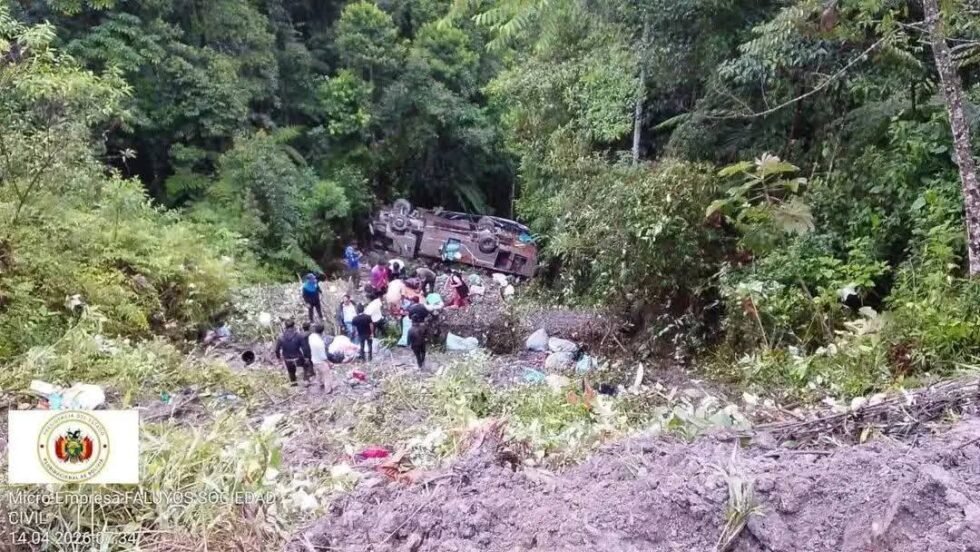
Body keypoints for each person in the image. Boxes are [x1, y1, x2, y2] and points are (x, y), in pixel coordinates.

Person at [274, 319, 307, 386]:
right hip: (298, 358)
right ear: (293, 326)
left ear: (285, 326)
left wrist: (278, 357)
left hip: (288, 359)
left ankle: (294, 385)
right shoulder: (299, 335)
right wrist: (306, 357)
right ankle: (305, 382)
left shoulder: (281, 337)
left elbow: (276, 350)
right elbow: (304, 348)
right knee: (304, 369)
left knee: (291, 373)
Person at [307, 323, 334, 392]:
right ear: (322, 331)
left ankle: (320, 384)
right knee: (327, 375)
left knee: (319, 373)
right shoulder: (320, 343)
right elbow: (323, 356)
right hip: (320, 361)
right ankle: (328, 390)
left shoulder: (311, 337)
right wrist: (329, 363)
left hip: (314, 359)